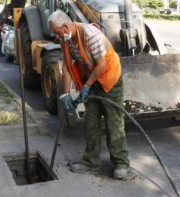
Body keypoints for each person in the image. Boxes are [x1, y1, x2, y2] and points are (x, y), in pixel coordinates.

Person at [48, 11, 130, 179]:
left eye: (57, 32)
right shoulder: (66, 40)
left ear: (65, 26)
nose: (56, 36)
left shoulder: (89, 34)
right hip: (91, 81)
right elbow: (66, 68)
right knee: (91, 122)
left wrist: (86, 87)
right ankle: (91, 162)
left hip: (109, 80)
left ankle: (121, 163)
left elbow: (101, 64)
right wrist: (65, 95)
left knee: (113, 123)